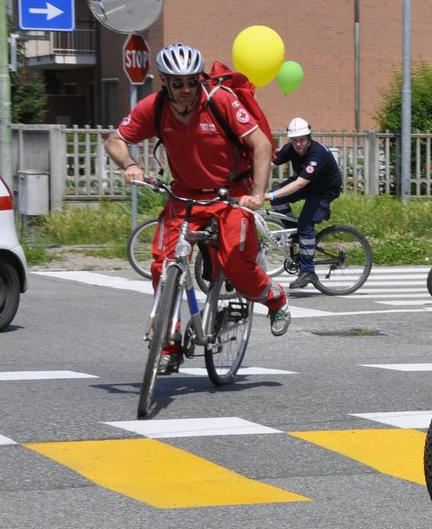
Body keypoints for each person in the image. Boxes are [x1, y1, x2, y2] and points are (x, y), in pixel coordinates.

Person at [103, 43, 291, 372]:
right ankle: (169, 342)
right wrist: (130, 165)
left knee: (238, 269)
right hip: (184, 196)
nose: (186, 90)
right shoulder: (156, 107)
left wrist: (257, 194)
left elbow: (260, 143)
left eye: (192, 81)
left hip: (230, 195)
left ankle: (275, 298)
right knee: (163, 266)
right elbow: (115, 140)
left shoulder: (220, 100)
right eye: (178, 83)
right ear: (164, 82)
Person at [267, 117, 343, 290]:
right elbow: (269, 163)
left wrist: (269, 195)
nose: (298, 144)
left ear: (309, 138)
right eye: (294, 140)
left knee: (305, 224)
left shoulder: (318, 154)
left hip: (323, 190)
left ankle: (308, 271)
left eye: (302, 140)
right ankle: (295, 234)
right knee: (279, 198)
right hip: (307, 183)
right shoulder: (290, 149)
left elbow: (300, 183)